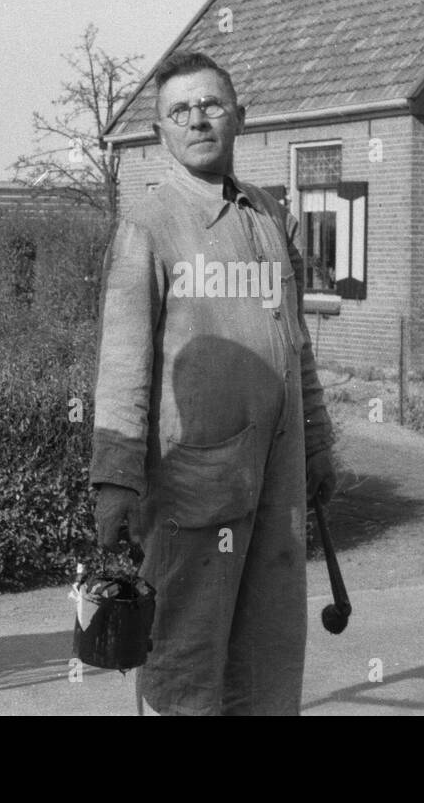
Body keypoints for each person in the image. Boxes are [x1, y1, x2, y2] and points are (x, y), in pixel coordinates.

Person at [90, 50, 337, 716]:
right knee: (185, 663)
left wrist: (316, 444)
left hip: (276, 482)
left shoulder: (264, 215)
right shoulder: (150, 224)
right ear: (161, 133)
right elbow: (122, 361)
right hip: (195, 486)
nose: (198, 118)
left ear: (240, 118)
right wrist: (114, 480)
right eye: (180, 110)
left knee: (269, 656)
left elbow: (295, 342)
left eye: (211, 105)